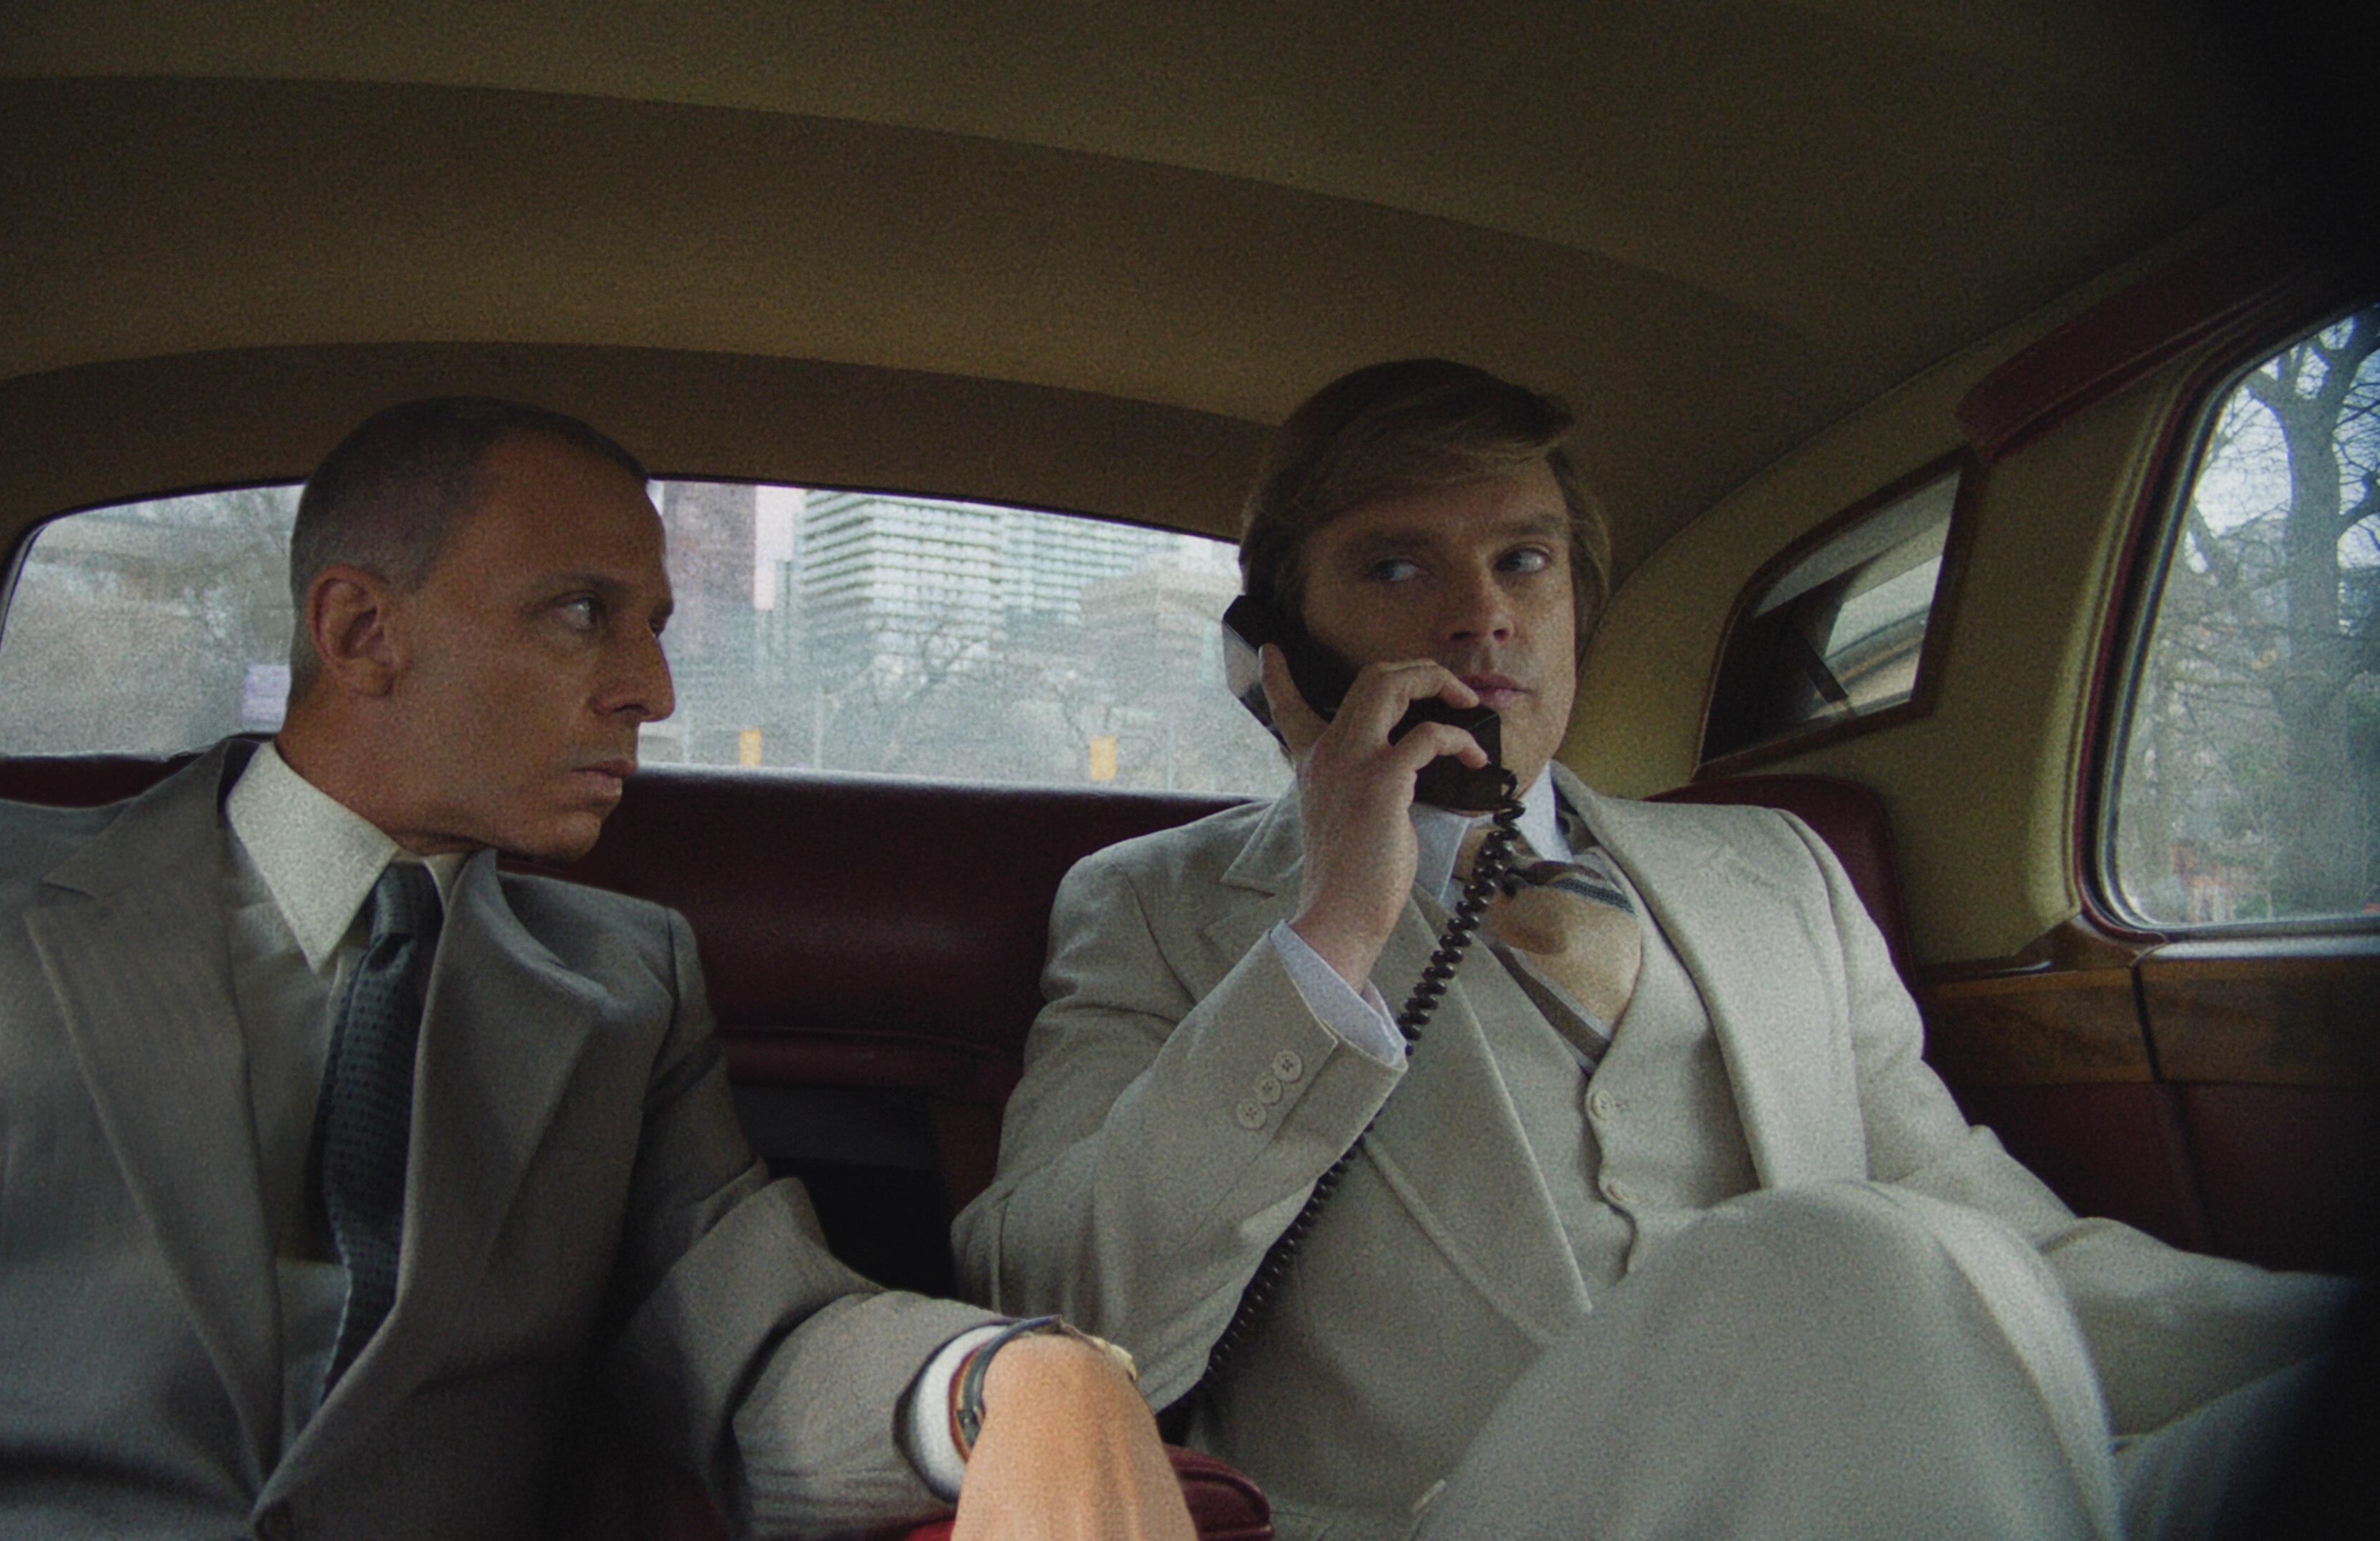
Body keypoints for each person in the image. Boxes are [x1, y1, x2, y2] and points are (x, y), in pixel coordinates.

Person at [0, 398, 1192, 1540]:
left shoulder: (625, 987)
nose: (650, 687)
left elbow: (755, 1342)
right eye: (586, 613)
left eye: (653, 624)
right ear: (360, 628)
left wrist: (1007, 1380)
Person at [952, 360, 2354, 1541]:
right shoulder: (1154, 906)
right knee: (1839, 1257)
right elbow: (1060, 1316)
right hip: (1477, 1511)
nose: (1483, 610)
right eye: (1396, 563)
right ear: (1276, 646)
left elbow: (2009, 1251)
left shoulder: (1779, 877)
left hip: (1909, 1479)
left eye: (1525, 560)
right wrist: (1333, 929)